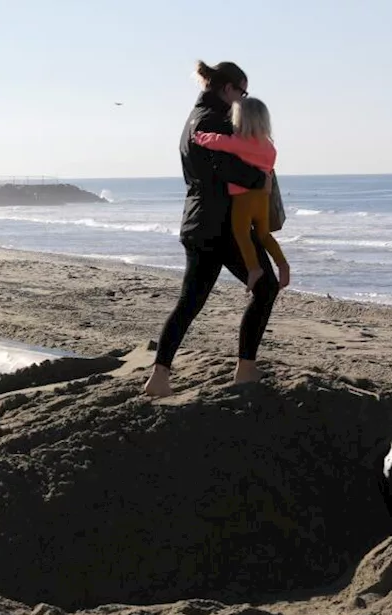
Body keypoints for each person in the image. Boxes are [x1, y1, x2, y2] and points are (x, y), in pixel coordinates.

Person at [143, 60, 280, 398]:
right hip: (220, 225)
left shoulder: (195, 118)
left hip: (201, 223)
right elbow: (224, 166)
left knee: (190, 302)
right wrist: (258, 178)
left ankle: (159, 377)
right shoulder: (211, 121)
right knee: (265, 286)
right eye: (242, 92)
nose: (243, 100)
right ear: (227, 88)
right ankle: (245, 368)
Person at [192, 96, 289, 292]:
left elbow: (216, 142)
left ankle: (253, 269)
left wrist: (198, 137)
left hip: (243, 198)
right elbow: (269, 168)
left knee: (241, 234)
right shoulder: (270, 147)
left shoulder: (237, 142)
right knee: (263, 234)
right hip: (262, 198)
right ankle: (282, 264)